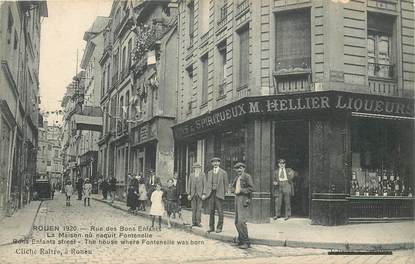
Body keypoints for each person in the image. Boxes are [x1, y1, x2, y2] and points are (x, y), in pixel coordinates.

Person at [202, 157, 229, 233]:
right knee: (211, 211)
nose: (215, 163)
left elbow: (226, 184)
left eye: (217, 162)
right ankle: (211, 227)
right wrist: (205, 193)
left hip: (219, 194)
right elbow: (207, 184)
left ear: (219, 163)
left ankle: (219, 227)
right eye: (214, 162)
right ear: (212, 164)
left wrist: (225, 193)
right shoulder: (209, 173)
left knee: (220, 212)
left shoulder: (223, 173)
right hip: (211, 194)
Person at [232, 162, 254, 249]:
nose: (239, 170)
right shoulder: (237, 177)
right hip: (237, 199)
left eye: (240, 168)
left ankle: (246, 242)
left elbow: (251, 188)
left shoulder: (247, 177)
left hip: (244, 199)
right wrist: (234, 190)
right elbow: (232, 187)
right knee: (237, 222)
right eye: (237, 169)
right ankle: (241, 240)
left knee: (242, 222)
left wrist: (241, 190)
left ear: (244, 168)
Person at [187, 163, 205, 227]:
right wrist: (188, 194)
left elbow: (205, 184)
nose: (197, 169)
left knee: (199, 209)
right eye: (196, 168)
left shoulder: (203, 175)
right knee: (193, 209)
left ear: (200, 168)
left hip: (200, 195)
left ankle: (198, 222)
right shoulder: (191, 175)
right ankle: (193, 222)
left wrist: (204, 194)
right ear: (194, 169)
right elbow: (189, 184)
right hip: (193, 195)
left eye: (198, 168)